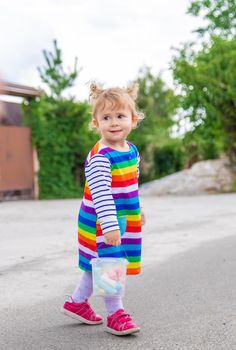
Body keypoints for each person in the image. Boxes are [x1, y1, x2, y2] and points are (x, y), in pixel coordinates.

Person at [61, 82, 146, 336]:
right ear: (96, 123)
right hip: (102, 220)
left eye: (120, 116)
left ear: (133, 119)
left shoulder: (131, 150)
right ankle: (115, 314)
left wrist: (137, 209)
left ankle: (77, 303)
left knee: (95, 264)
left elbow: (131, 183)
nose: (114, 122)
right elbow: (101, 194)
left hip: (120, 218)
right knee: (111, 265)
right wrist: (109, 225)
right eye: (106, 117)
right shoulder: (101, 157)